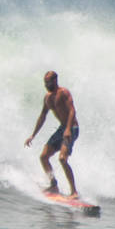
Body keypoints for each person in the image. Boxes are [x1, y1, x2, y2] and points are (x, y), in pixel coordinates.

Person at [24, 70, 82, 198]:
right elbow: (42, 116)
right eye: (45, 82)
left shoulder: (64, 93)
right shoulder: (48, 98)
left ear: (55, 80)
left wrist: (68, 129)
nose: (46, 85)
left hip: (72, 128)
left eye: (48, 82)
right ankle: (53, 184)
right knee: (44, 157)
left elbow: (72, 111)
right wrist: (33, 135)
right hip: (62, 128)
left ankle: (74, 192)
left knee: (62, 159)